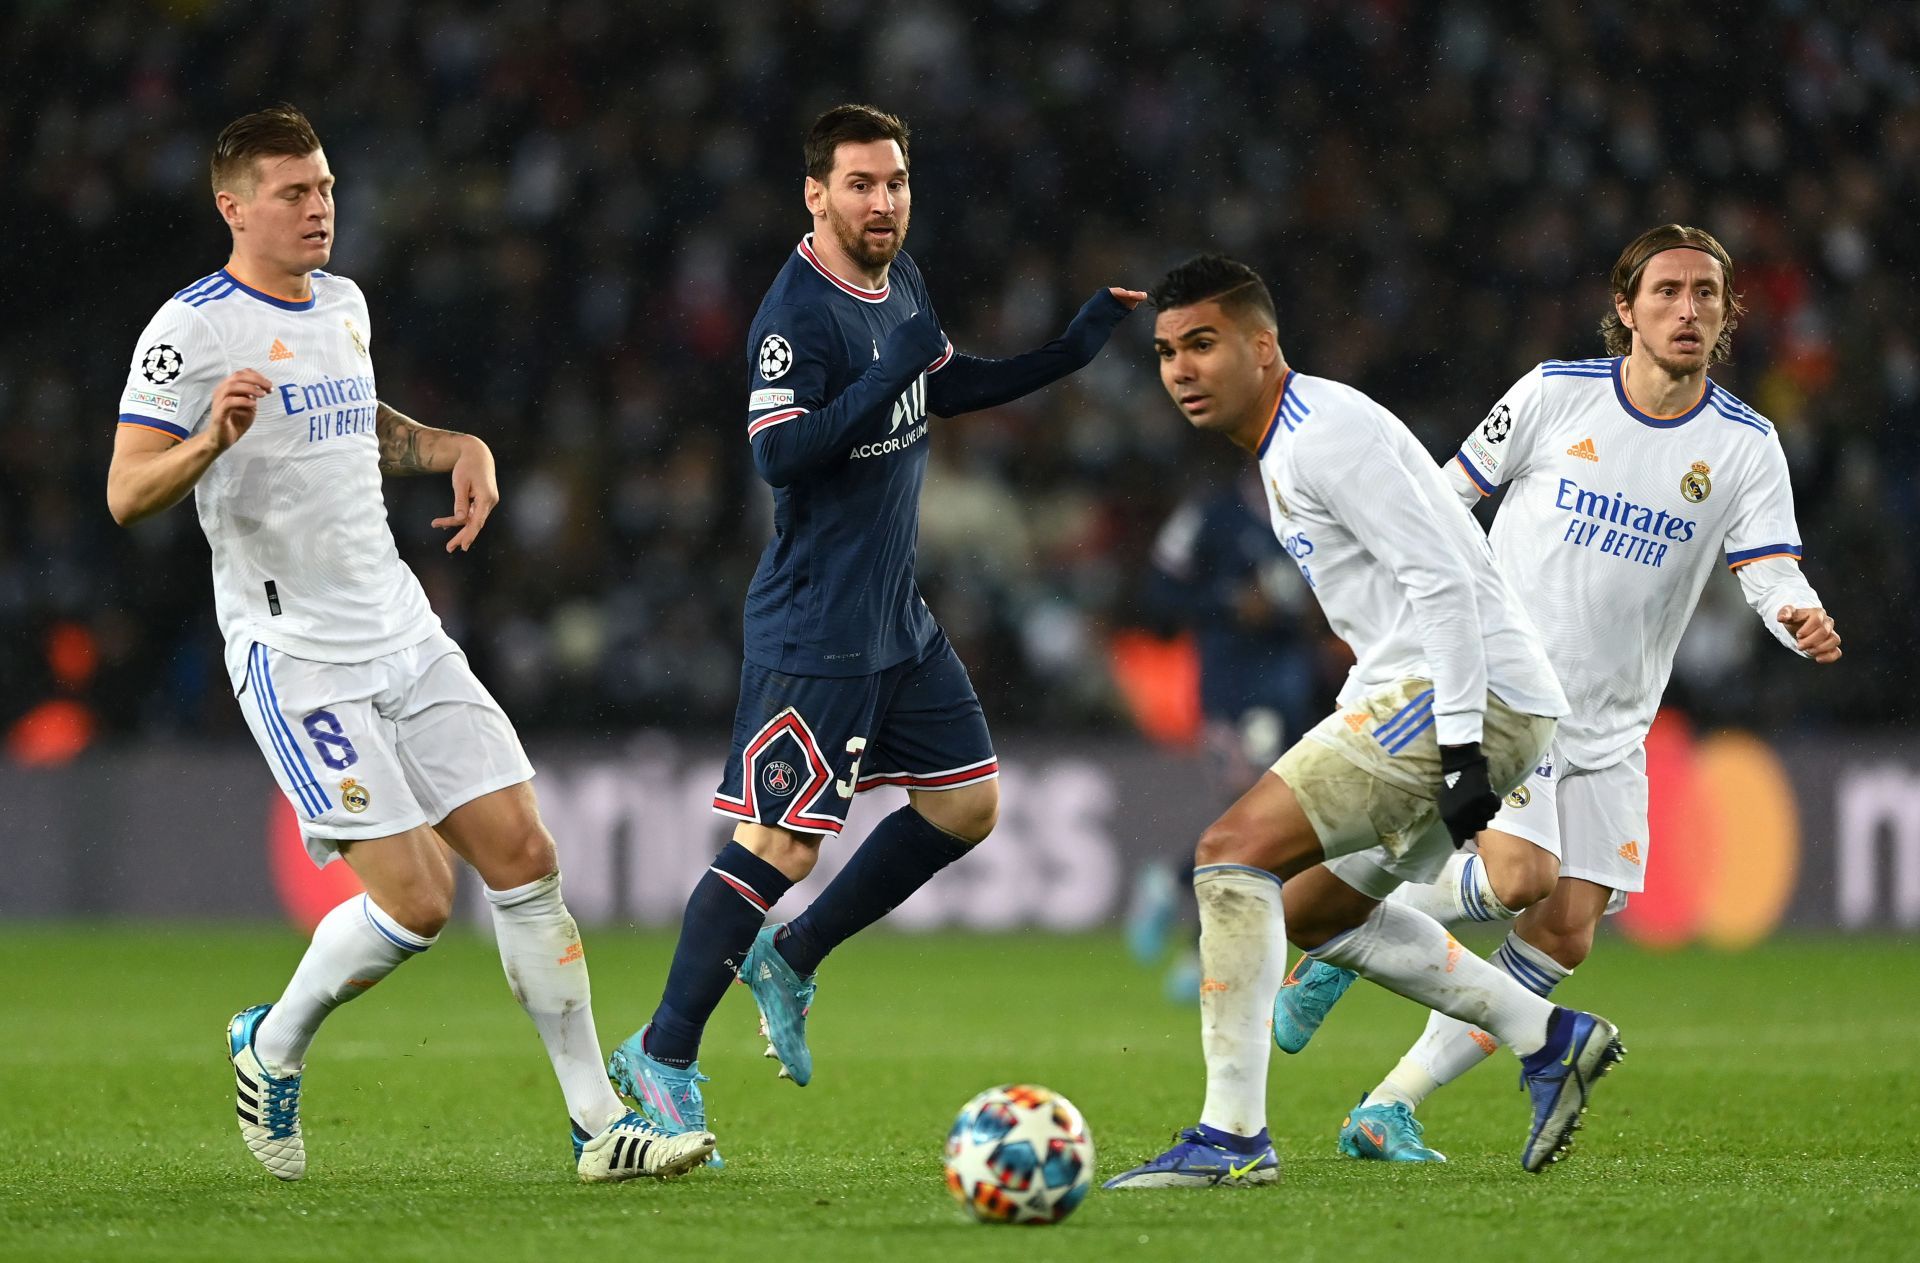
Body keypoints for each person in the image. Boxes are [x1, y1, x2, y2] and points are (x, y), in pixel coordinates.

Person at [105, 105, 712, 1183]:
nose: (319, 207)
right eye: (294, 193)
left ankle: (597, 1126)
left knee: (527, 859)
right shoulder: (189, 332)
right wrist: (207, 440)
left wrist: (453, 446)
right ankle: (270, 1042)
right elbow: (125, 494)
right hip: (297, 656)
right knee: (420, 900)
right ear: (232, 205)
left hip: (402, 628)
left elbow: (359, 423)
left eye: (326, 186)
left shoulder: (342, 303)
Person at [605, 104, 1142, 1163]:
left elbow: (940, 380)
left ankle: (793, 958)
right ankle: (661, 1056)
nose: (882, 201)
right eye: (859, 183)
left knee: (969, 803)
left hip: (895, 618)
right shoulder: (792, 314)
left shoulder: (899, 280)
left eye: (894, 182)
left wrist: (1067, 352)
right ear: (815, 194)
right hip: (815, 630)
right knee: (780, 844)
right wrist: (891, 368)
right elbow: (782, 455)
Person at [1271, 224, 1841, 1163]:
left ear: (1727, 314)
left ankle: (1388, 1105)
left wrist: (1801, 615)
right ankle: (1345, 924)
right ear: (1627, 310)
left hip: (1617, 722)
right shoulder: (1552, 394)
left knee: (1565, 929)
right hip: (1511, 687)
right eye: (1666, 292)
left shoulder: (1744, 445)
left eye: (1705, 293)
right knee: (1516, 878)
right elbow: (1443, 499)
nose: (1687, 309)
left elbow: (1770, 569)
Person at [1102, 254, 1619, 1189]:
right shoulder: (1286, 448)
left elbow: (1444, 579)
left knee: (1230, 850)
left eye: (1203, 344)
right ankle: (1546, 1037)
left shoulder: (1323, 434)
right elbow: (1398, 603)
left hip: (1462, 692)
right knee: (1311, 908)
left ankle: (1232, 1137)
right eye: (1168, 351)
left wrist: (1462, 743)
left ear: (1264, 347)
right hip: (1436, 689)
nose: (1180, 368)